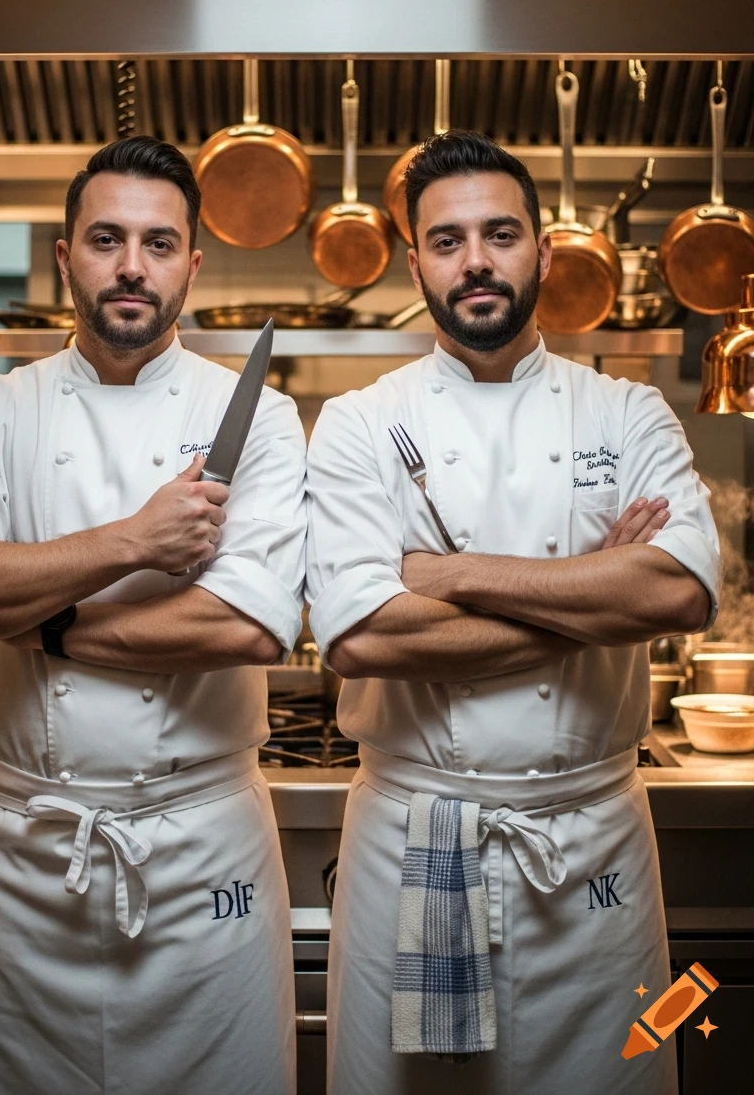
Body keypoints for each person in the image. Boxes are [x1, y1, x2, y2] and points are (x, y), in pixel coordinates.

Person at [306, 131, 720, 1095]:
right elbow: (363, 636)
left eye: (501, 234)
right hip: (415, 839)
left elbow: (677, 593)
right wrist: (593, 589)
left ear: (542, 248)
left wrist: (447, 575)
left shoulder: (628, 411)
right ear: (416, 263)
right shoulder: (363, 421)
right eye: (447, 241)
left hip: (592, 846)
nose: (477, 261)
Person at [0, 136, 305, 1095]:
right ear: (64, 254)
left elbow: (244, 626)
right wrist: (135, 540)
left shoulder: (261, 414)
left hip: (203, 845)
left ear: (192, 265)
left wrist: (45, 625)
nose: (133, 266)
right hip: (28, 851)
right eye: (107, 240)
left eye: (159, 244)